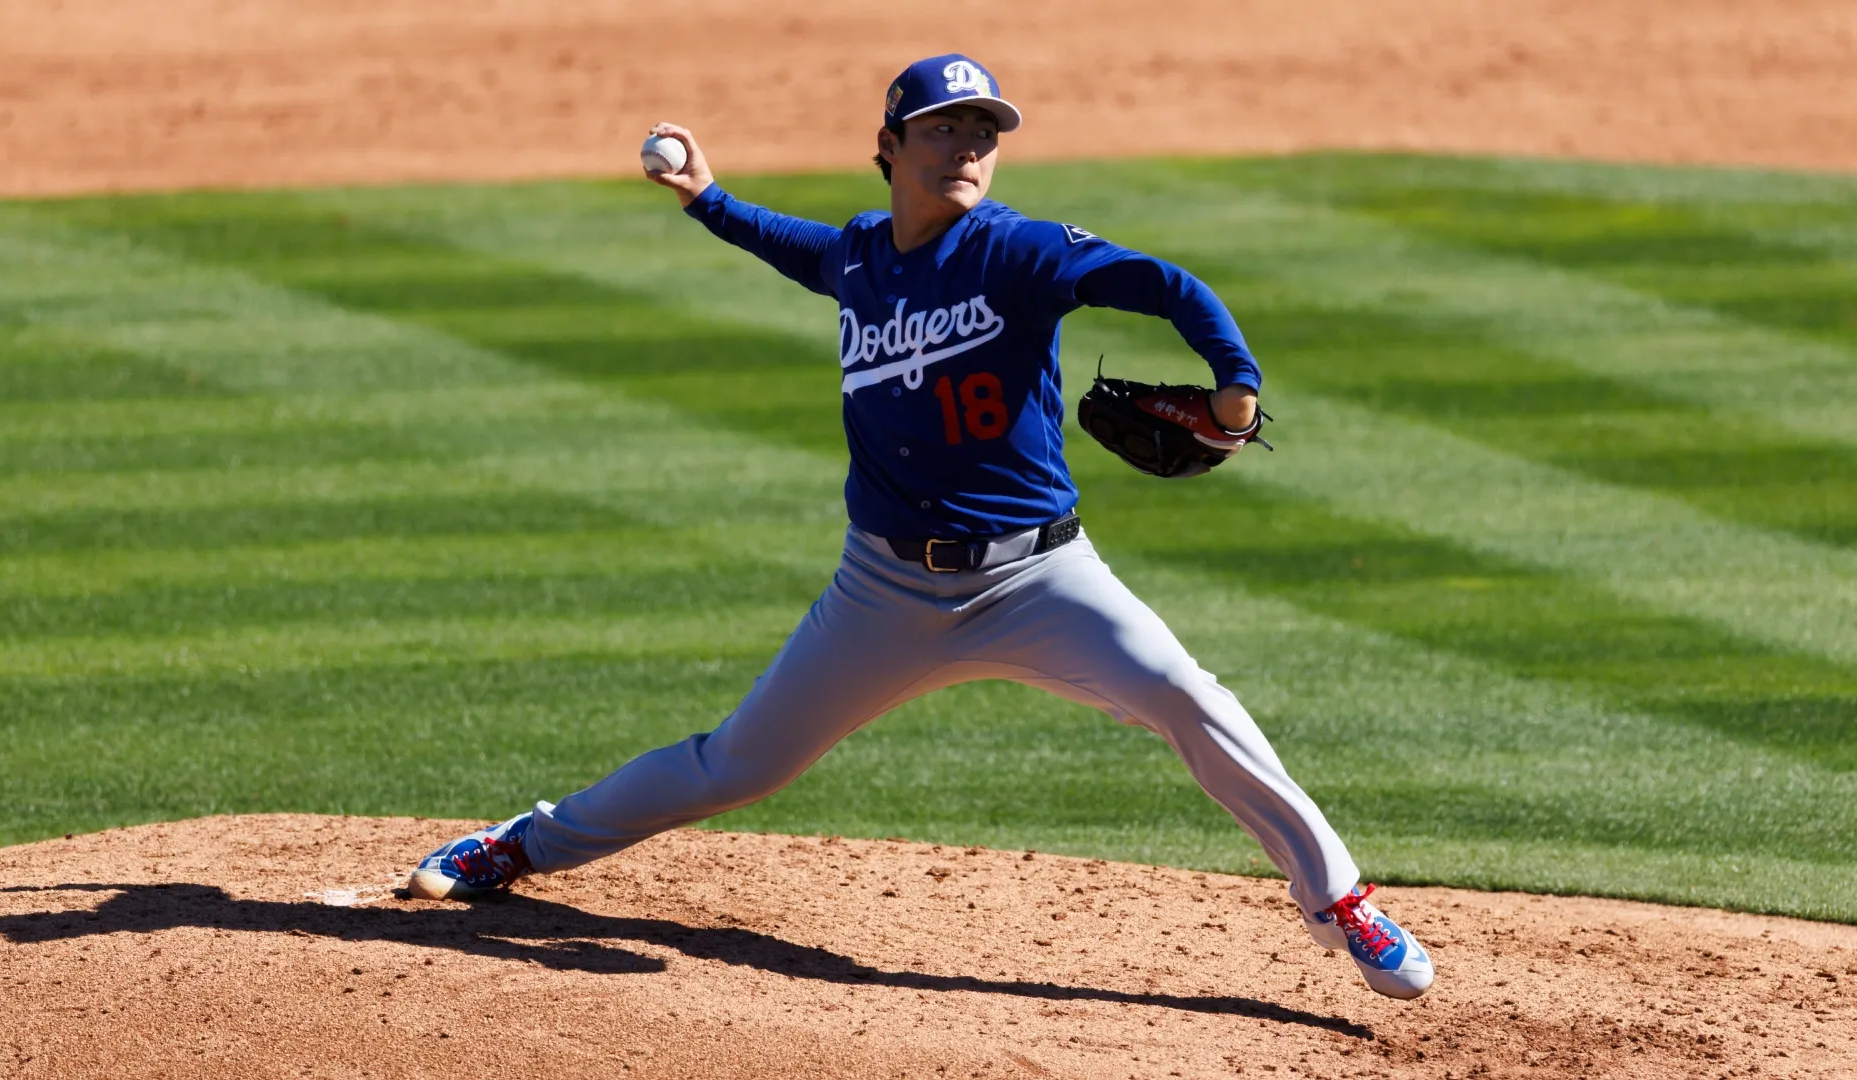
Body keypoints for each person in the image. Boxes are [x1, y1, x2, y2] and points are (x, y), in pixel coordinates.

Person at [407, 53, 1433, 1000]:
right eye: (943, 130)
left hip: (1040, 581)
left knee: (1186, 697)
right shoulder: (861, 256)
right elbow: (796, 247)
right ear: (890, 147)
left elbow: (1167, 285)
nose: (967, 150)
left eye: (983, 133)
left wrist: (1238, 390)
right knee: (738, 765)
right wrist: (709, 202)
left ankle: (1342, 903)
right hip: (882, 593)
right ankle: (524, 845)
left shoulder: (1021, 252)